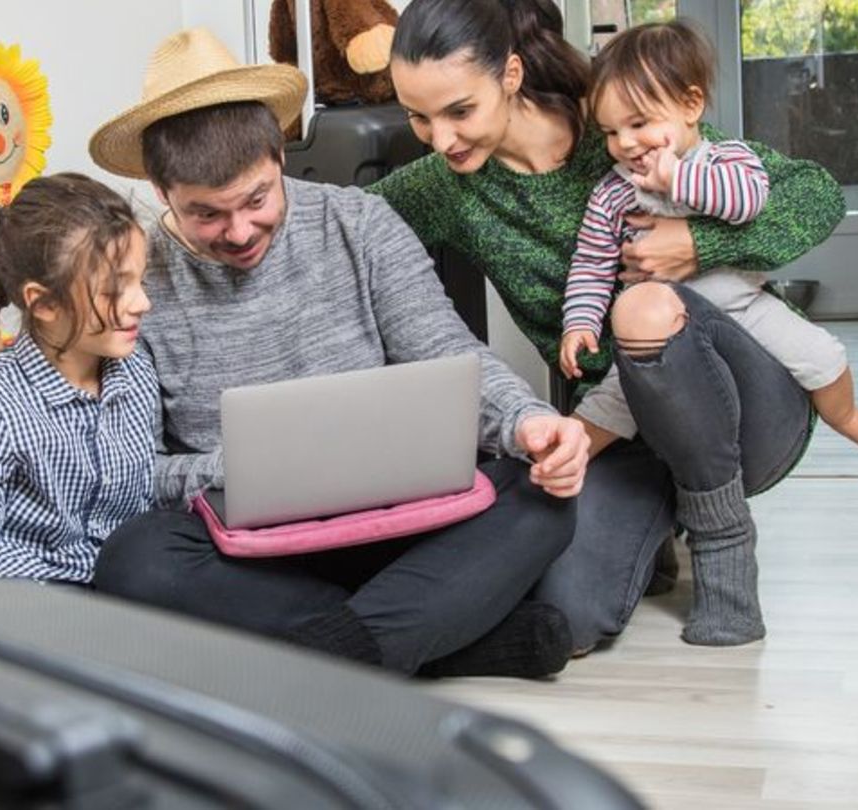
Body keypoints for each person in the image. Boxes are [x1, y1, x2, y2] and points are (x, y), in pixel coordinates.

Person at [86, 28, 590, 678]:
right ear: (161, 194)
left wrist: (528, 421)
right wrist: (237, 469)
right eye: (207, 215)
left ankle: (334, 660)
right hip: (250, 550)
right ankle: (433, 647)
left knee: (539, 492)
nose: (239, 232)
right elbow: (133, 468)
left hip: (396, 527)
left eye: (257, 199)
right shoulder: (136, 279)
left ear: (279, 158)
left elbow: (447, 354)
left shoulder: (362, 225)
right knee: (134, 562)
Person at [374, 0, 845, 647]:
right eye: (417, 117)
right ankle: (656, 526)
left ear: (509, 75)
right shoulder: (444, 185)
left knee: (644, 310)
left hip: (746, 408)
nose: (442, 138)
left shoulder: (620, 126)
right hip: (619, 428)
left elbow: (816, 193)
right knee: (568, 618)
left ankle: (722, 538)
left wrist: (697, 244)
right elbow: (341, 225)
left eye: (459, 111)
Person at [560, 21, 858, 456]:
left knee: (823, 356)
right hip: (654, 335)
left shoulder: (727, 158)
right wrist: (580, 322)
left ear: (690, 105)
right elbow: (591, 264)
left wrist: (678, 178)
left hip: (744, 310)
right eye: (609, 132)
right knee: (611, 401)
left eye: (638, 123)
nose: (624, 143)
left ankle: (845, 416)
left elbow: (747, 202)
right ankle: (561, 457)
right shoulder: (612, 191)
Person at [0, 175, 157, 586]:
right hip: (36, 602)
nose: (142, 303)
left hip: (122, 587)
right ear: (43, 303)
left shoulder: (135, 371)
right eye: (115, 289)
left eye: (141, 279)